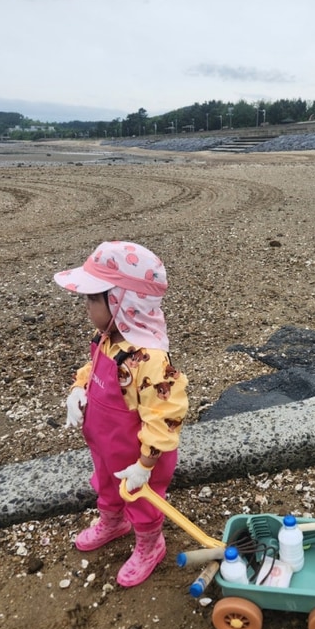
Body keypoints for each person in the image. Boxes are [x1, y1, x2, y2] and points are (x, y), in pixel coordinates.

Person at [54, 241, 188, 587]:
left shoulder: (150, 361)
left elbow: (165, 415)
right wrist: (78, 389)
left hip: (139, 455)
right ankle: (113, 522)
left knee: (143, 501)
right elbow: (93, 367)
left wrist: (146, 463)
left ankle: (149, 543)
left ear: (121, 302)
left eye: (91, 299)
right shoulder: (108, 339)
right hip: (105, 445)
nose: (86, 306)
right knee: (107, 486)